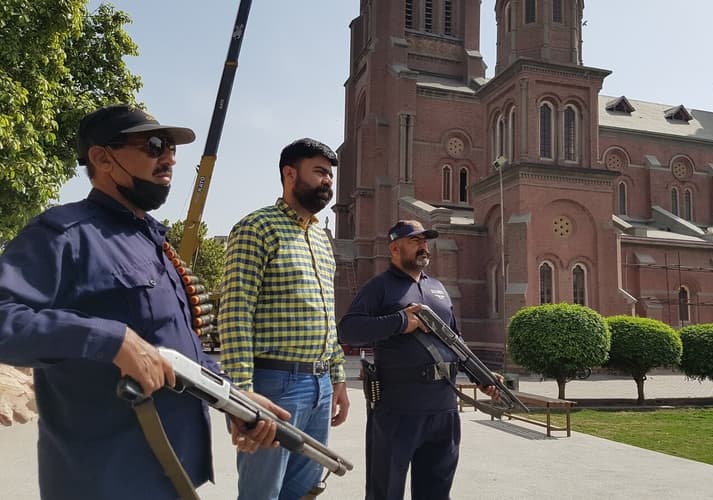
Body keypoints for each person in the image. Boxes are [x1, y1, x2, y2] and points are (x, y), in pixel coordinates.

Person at [0, 104, 286, 500]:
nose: (168, 157)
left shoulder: (155, 243)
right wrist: (110, 339)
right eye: (154, 145)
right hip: (104, 481)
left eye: (171, 147)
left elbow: (175, 348)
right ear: (101, 158)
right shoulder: (63, 234)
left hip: (174, 472)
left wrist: (233, 397)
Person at [218, 137, 350, 499]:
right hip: (275, 385)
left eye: (330, 175)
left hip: (320, 386)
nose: (328, 182)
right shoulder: (256, 228)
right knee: (263, 492)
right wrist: (241, 393)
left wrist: (337, 378)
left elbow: (327, 315)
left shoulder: (322, 240)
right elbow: (235, 313)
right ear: (289, 174)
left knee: (304, 489)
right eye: (320, 172)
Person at [338, 220, 497, 500]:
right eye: (415, 241)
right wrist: (400, 321)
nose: (424, 246)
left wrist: (480, 376)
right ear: (395, 249)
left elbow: (454, 341)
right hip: (397, 411)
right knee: (385, 492)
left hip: (443, 411)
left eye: (425, 241)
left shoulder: (438, 288)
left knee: (436, 493)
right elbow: (349, 329)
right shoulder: (379, 287)